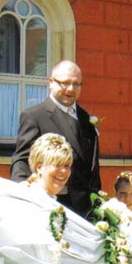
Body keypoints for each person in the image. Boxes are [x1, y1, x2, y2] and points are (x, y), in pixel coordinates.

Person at [12, 60, 100, 217]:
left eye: (76, 84)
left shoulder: (86, 119)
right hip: (54, 205)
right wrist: (23, 193)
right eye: (65, 83)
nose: (70, 89)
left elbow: (92, 167)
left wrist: (98, 203)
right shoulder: (35, 116)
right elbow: (21, 160)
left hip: (85, 209)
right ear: (51, 83)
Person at [23, 132, 73, 205]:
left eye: (66, 165)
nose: (64, 171)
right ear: (39, 167)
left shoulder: (49, 201)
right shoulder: (29, 200)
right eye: (57, 165)